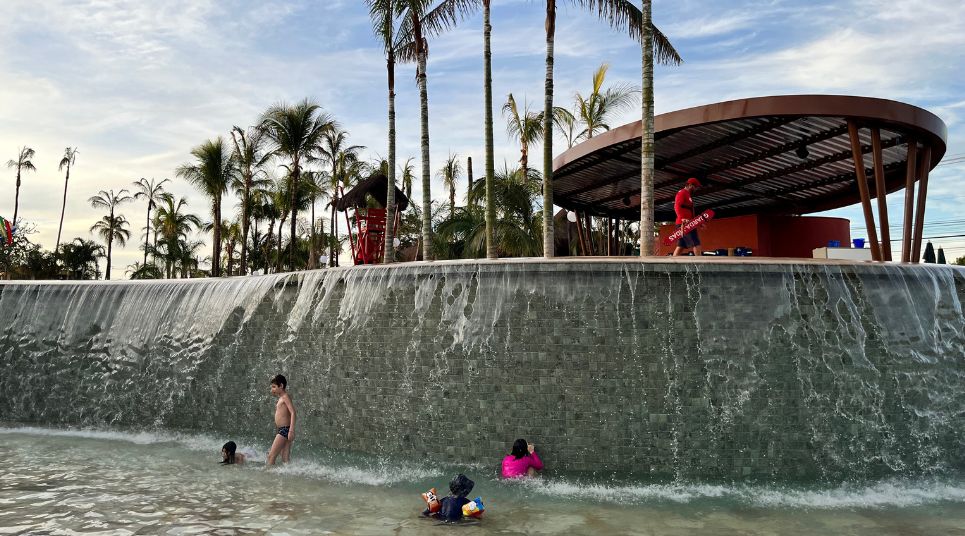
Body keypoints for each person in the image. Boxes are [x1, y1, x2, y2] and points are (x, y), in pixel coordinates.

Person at [267, 374, 296, 465]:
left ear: (281, 386)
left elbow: (293, 413)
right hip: (283, 429)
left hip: (285, 430)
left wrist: (291, 430)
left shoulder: (285, 397)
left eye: (274, 387)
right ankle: (288, 475)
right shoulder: (281, 398)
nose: (272, 390)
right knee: (285, 458)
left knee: (271, 456)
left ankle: (267, 476)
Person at [673, 177, 703, 257]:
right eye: (695, 186)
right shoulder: (682, 193)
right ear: (690, 185)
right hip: (684, 224)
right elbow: (676, 206)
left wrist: (698, 222)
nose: (696, 189)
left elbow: (690, 212)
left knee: (681, 246)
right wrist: (682, 218)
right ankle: (699, 265)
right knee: (696, 243)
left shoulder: (688, 195)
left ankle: (672, 264)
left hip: (688, 223)